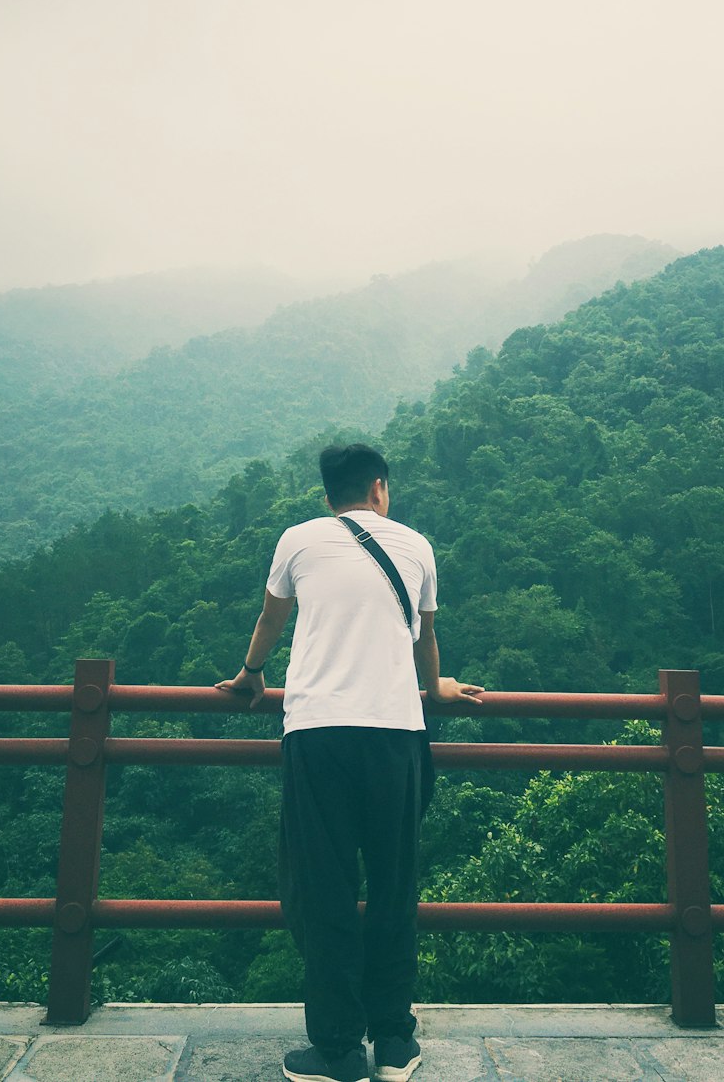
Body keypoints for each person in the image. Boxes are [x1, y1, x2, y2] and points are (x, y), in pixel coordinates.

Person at [215, 443, 484, 1082]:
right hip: (396, 733)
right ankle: (394, 1041)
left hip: (318, 732)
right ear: (380, 488)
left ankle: (337, 1051)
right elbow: (427, 633)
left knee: (325, 888)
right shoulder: (417, 547)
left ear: (328, 493)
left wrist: (251, 674)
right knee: (394, 885)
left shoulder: (298, 541)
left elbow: (270, 618)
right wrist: (438, 686)